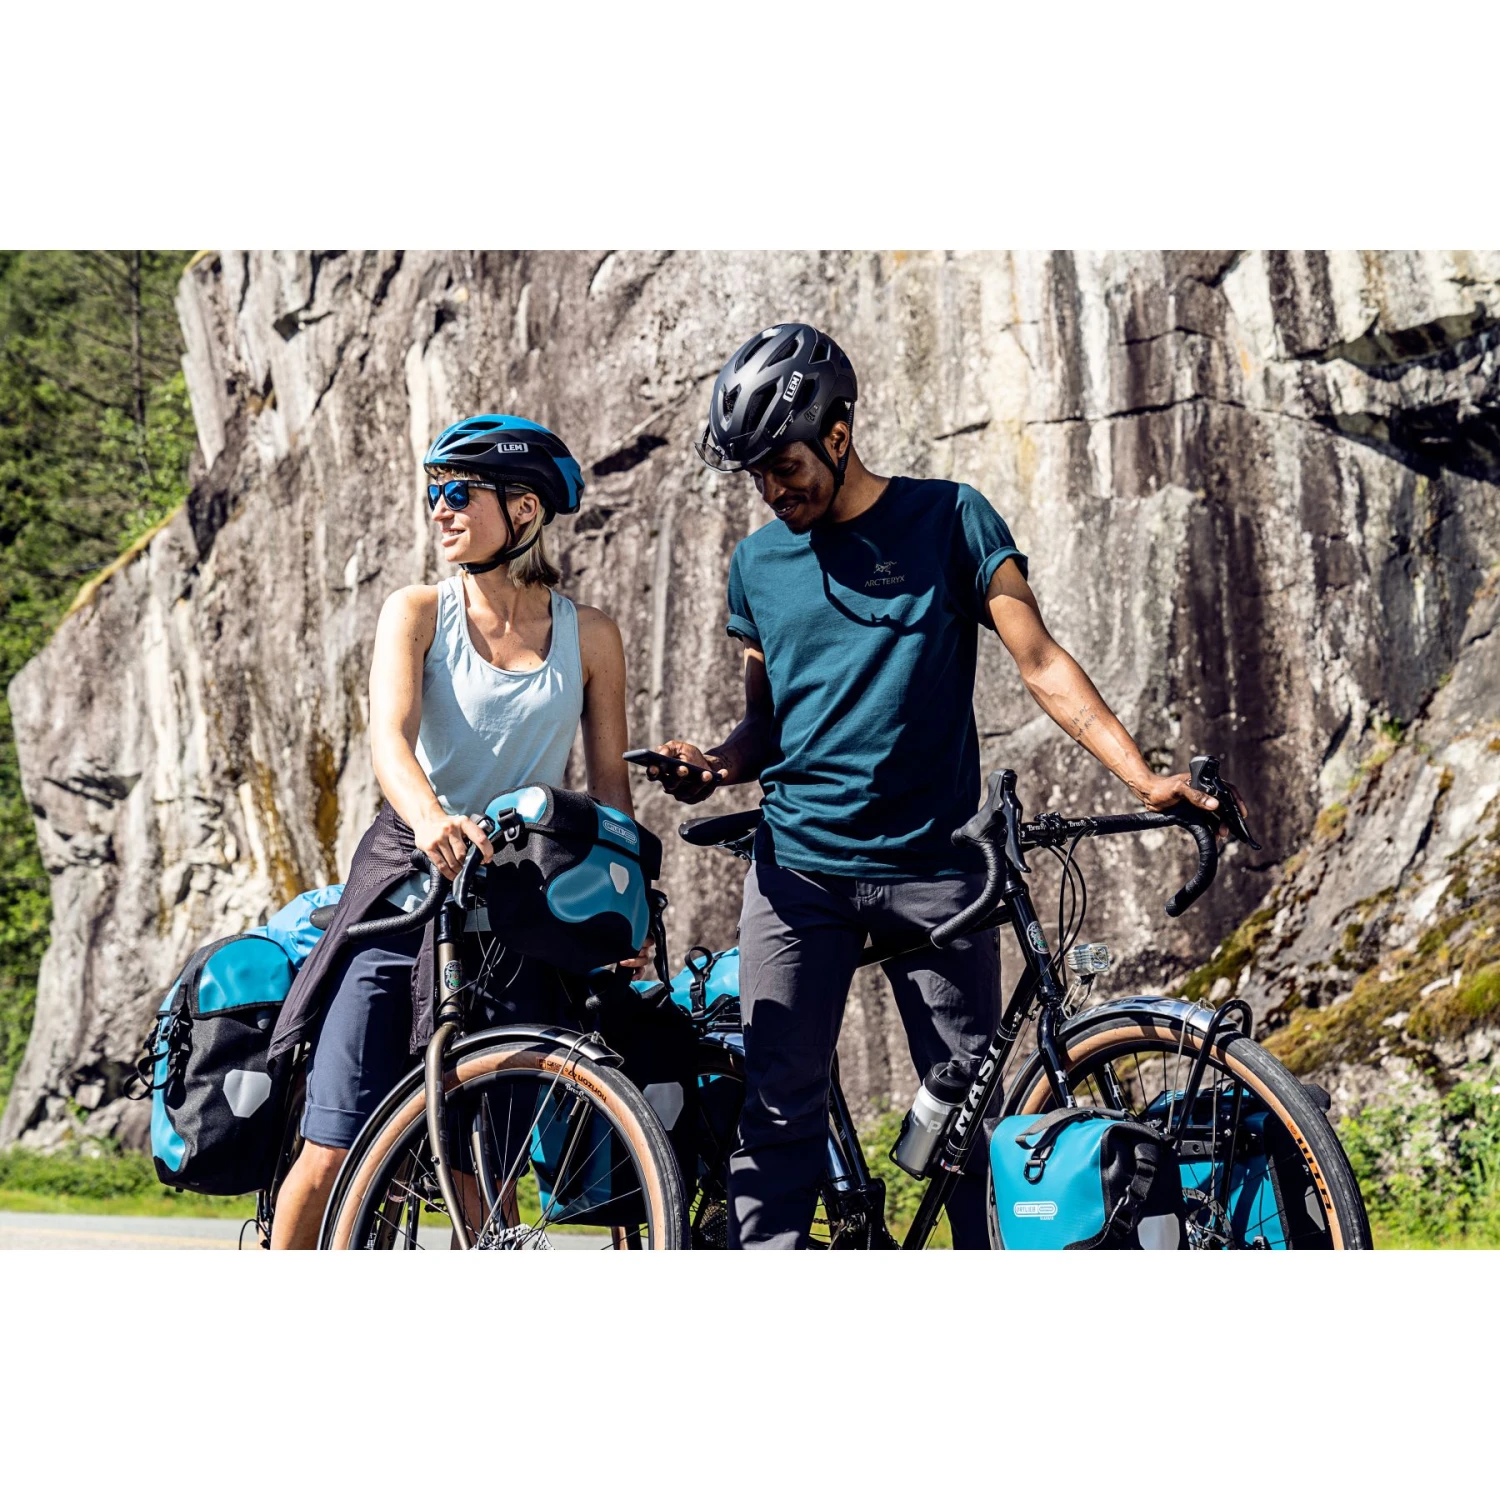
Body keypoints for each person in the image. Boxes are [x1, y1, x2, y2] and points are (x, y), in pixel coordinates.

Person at [655, 323, 1244, 1249]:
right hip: (799, 873)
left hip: (940, 877)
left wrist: (1142, 777)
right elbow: (764, 727)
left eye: (785, 465)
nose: (772, 490)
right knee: (777, 1110)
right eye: (757, 475)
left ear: (839, 434)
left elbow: (1041, 661)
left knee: (972, 1129)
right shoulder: (757, 565)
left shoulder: (952, 518)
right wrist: (715, 766)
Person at [268, 414, 639, 1249]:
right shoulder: (418, 612)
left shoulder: (591, 636)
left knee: (487, 1166)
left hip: (518, 898)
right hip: (407, 882)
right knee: (333, 1147)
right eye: (434, 492)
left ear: (526, 509)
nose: (440, 509)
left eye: (459, 492)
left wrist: (629, 912)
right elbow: (388, 740)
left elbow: (609, 793)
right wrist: (432, 818)